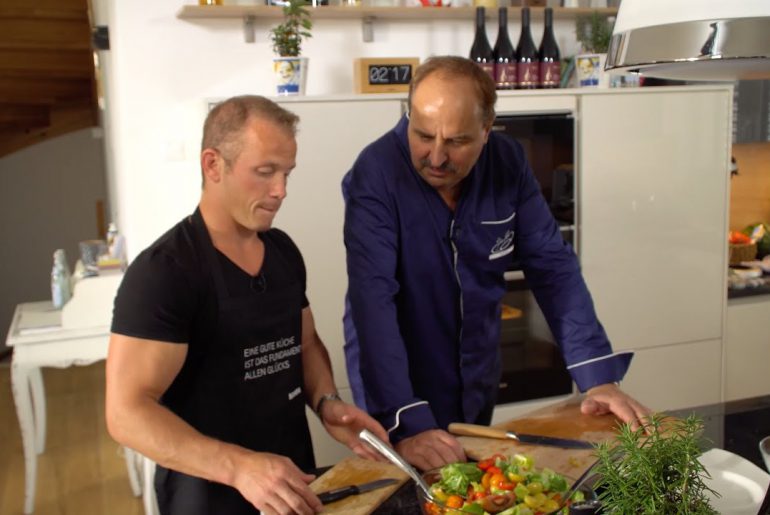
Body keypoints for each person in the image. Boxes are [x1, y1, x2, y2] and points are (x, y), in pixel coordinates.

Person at [342, 56, 650, 472]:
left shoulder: (508, 163)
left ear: (487, 131)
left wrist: (597, 376)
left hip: (477, 364)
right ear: (408, 115)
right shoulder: (375, 173)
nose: (436, 157)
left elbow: (552, 266)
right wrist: (405, 422)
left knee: (474, 488)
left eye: (456, 141)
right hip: (398, 374)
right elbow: (372, 301)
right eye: (423, 135)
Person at [105, 95, 388, 515]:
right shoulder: (165, 272)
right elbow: (126, 413)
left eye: (287, 173)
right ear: (213, 165)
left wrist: (326, 402)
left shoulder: (283, 251)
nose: (281, 191)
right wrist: (239, 468)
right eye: (265, 172)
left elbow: (305, 344)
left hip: (294, 482)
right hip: (207, 497)